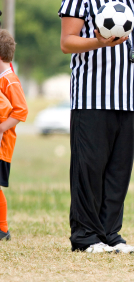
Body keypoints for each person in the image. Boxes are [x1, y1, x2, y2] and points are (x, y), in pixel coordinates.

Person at [59, 0, 134, 253]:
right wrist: (99, 42)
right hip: (91, 98)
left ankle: (110, 234)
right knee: (89, 169)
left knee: (119, 173)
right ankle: (85, 236)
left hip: (128, 100)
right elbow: (66, 42)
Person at [0, 29, 29, 241]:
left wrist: (1, 128)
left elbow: (21, 111)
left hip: (3, 144)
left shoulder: (9, 80)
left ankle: (3, 229)